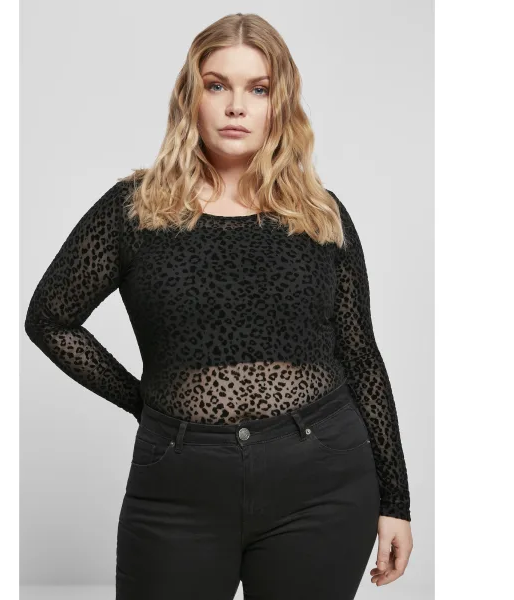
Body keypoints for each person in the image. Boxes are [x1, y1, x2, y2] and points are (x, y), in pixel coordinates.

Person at [24, 12, 413, 600]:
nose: (236, 106)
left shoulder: (320, 216)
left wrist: (396, 500)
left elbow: (361, 357)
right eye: (217, 85)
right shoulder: (135, 211)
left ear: (280, 105)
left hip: (323, 481)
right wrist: (143, 402)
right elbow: (50, 319)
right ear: (191, 97)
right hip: (180, 485)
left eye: (258, 89)